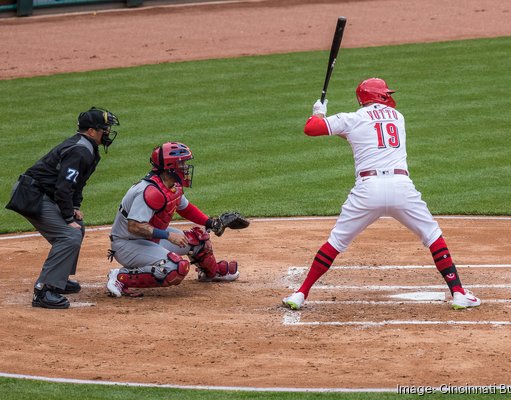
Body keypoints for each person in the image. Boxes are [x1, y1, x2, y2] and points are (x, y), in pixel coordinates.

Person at [282, 78, 481, 310]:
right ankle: (458, 293)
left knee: (336, 241)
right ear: (380, 96)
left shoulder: (353, 119)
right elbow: (364, 136)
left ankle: (300, 294)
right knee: (432, 235)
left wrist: (319, 114)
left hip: (368, 190)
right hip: (401, 187)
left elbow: (311, 129)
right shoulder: (398, 118)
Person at [5, 107, 120, 309]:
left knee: (78, 227)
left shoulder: (87, 148)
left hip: (42, 193)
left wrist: (74, 208)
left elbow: (76, 184)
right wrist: (68, 218)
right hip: (31, 195)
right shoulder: (80, 150)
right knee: (69, 234)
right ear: (92, 131)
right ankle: (44, 290)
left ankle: (58, 279)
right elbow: (63, 187)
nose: (108, 132)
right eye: (104, 128)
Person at [106, 141, 240, 298]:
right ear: (171, 166)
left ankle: (211, 273)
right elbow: (134, 226)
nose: (185, 167)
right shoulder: (150, 191)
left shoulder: (172, 185)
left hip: (150, 239)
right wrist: (168, 235)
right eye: (182, 163)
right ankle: (120, 277)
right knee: (175, 267)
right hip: (128, 244)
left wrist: (211, 223)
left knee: (198, 240)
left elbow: (186, 208)